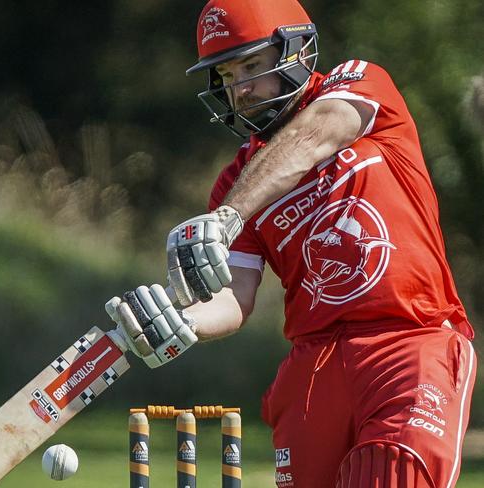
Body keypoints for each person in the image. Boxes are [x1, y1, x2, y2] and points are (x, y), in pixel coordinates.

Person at [105, 0, 477, 486]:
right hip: (313, 366)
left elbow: (318, 133)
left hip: (408, 341)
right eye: (227, 75)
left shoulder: (362, 85)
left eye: (253, 66)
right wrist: (183, 320)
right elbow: (235, 295)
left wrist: (229, 215)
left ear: (296, 50)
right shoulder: (237, 180)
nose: (240, 90)